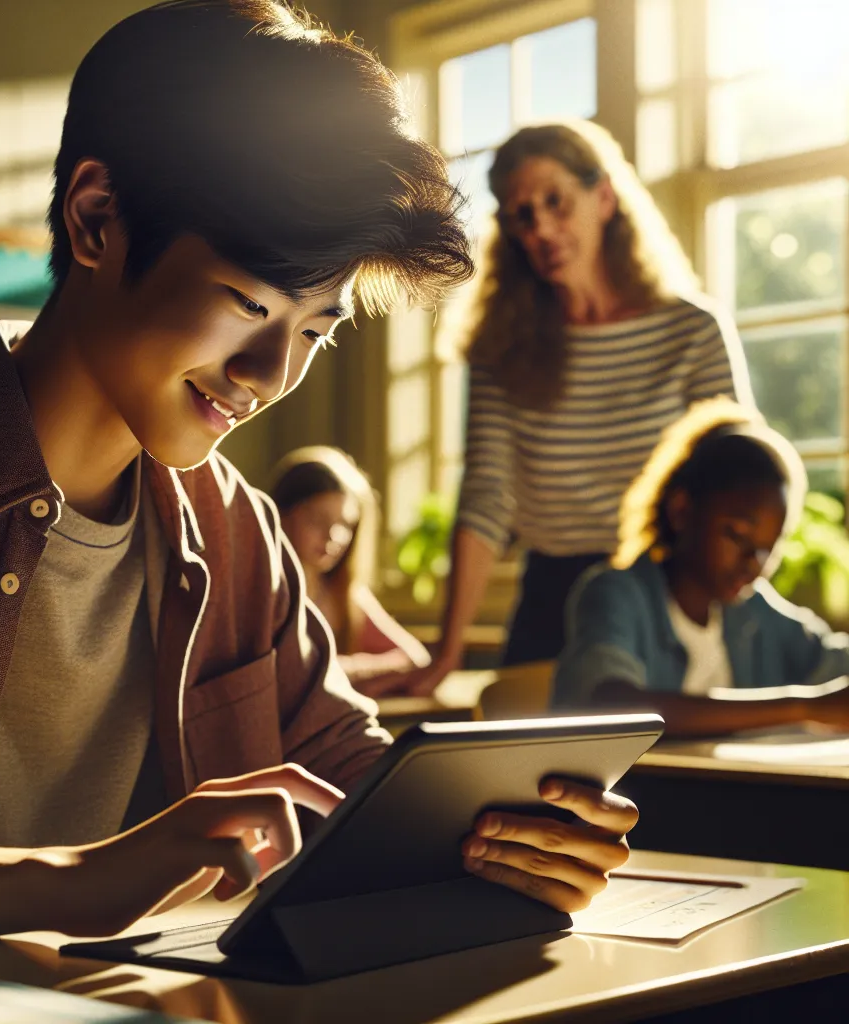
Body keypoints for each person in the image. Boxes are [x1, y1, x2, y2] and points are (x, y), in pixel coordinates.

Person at [0, 2, 640, 944]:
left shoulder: (241, 531)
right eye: (245, 301)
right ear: (98, 219)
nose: (270, 375)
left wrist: (509, 835)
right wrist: (69, 882)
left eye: (313, 332)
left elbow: (347, 768)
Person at [390, 120, 752, 698]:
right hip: (550, 602)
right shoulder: (499, 349)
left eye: (556, 201)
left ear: (604, 197)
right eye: (521, 215)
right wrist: (448, 649)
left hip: (664, 600)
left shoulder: (693, 332)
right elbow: (486, 497)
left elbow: (739, 480)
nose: (542, 229)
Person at [555, 397, 849, 735]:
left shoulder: (749, 610)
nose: (753, 566)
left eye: (768, 550)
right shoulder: (616, 593)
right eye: (737, 536)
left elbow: (832, 658)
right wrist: (806, 707)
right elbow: (609, 708)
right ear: (681, 511)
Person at [270, 446, 430, 690]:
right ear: (279, 515)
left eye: (345, 524)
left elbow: (416, 660)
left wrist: (343, 669)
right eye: (317, 519)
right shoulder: (262, 593)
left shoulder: (342, 593)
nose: (332, 535)